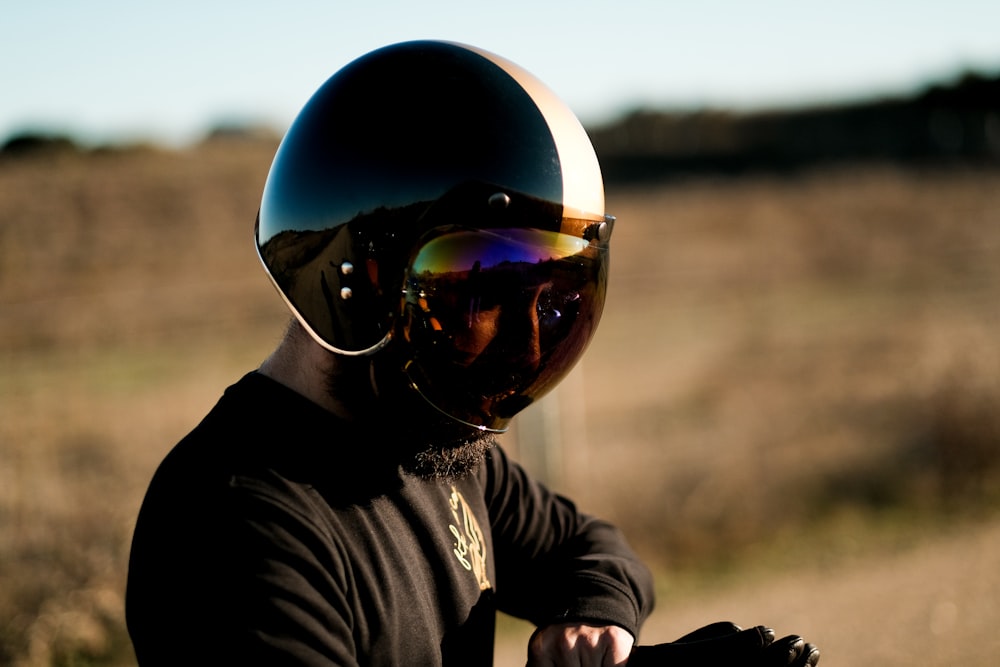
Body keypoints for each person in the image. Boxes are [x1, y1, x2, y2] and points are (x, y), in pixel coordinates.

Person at [125, 40, 819, 666]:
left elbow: (594, 550)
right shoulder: (234, 527)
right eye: (483, 287)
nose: (530, 347)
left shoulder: (441, 455)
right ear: (358, 280)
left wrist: (593, 622)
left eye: (555, 300)